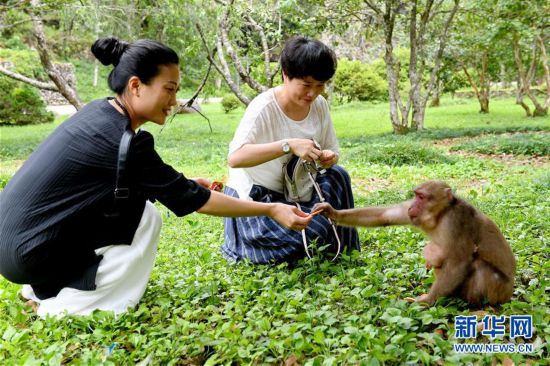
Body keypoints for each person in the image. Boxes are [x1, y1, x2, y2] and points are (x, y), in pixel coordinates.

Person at [0, 37, 312, 318]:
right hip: (29, 255)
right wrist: (271, 209)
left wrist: (185, 184)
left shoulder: (98, 113)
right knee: (146, 219)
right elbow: (195, 202)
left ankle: (42, 289)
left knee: (137, 207)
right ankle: (64, 308)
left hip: (13, 249)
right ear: (136, 86)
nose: (175, 101)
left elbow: (148, 183)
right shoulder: (128, 143)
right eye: (169, 89)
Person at [223, 36, 359, 264]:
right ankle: (304, 240)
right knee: (308, 235)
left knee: (339, 176)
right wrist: (288, 145)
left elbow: (332, 152)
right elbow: (235, 158)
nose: (313, 93)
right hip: (262, 199)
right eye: (306, 85)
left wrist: (328, 158)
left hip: (300, 192)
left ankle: (340, 246)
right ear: (286, 75)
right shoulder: (263, 108)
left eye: (320, 85)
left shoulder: (319, 106)